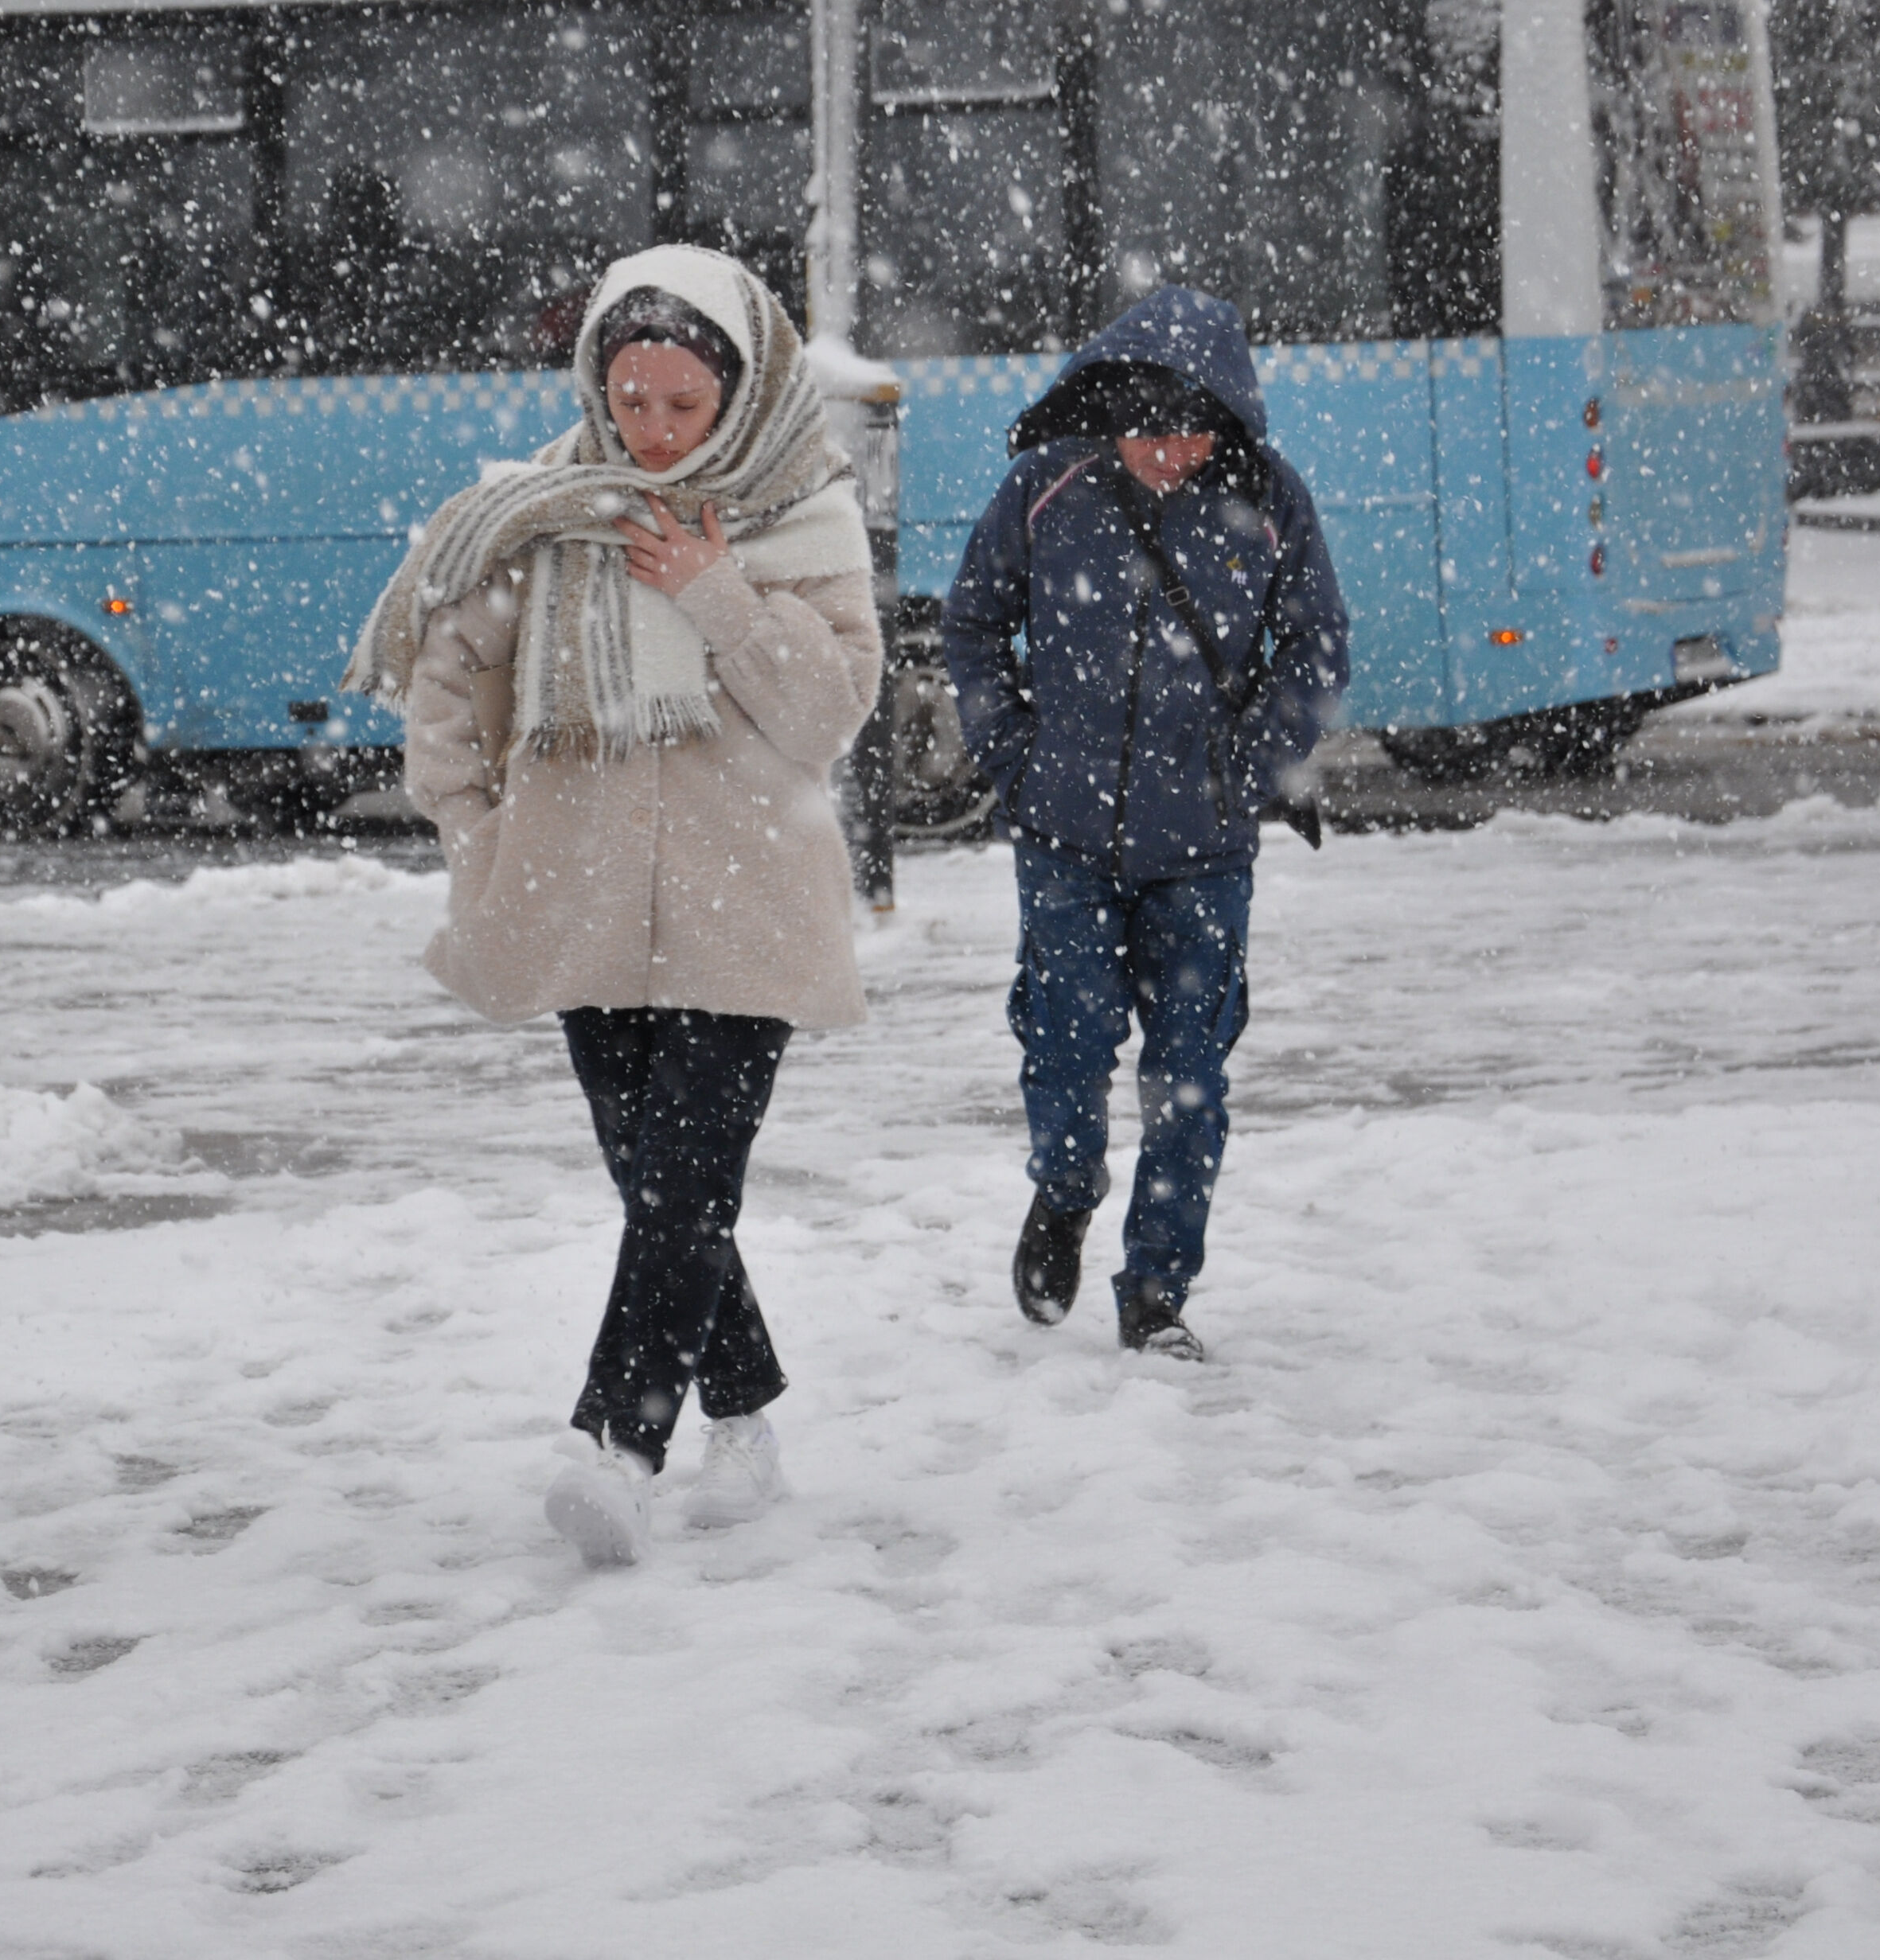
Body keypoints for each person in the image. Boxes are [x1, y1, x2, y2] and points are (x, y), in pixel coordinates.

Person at [347, 245, 882, 1568]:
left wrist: (714, 593)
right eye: (628, 400)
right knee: (659, 1187)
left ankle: (617, 1449)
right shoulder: (538, 512)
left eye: (682, 405)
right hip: (578, 899)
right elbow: (445, 682)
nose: (651, 432)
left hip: (748, 906)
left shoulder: (803, 513)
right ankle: (743, 1418)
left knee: (685, 1186)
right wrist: (479, 835)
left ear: (742, 390)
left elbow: (828, 713)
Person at [941, 286, 1350, 1361]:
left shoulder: (1268, 496)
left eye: (1193, 432)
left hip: (1204, 853)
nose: (1172, 453)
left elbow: (1317, 644)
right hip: (1065, 840)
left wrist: (1248, 768)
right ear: (1109, 413)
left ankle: (1158, 1294)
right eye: (1149, 431)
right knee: (1066, 1047)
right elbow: (973, 624)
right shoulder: (1045, 486)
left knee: (1190, 1082)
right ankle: (1066, 1190)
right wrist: (1016, 762)